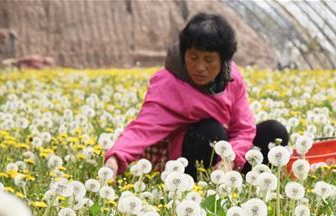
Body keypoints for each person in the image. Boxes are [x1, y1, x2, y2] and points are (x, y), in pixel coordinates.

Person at [104, 13, 289, 179]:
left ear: (224, 59)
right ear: (184, 53)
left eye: (209, 60)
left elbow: (243, 129)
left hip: (228, 156)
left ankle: (247, 181)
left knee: (274, 132)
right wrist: (115, 159)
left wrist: (230, 159)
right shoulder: (168, 82)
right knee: (211, 132)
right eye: (193, 58)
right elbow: (144, 127)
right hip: (185, 158)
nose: (200, 67)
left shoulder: (232, 78)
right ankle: (203, 183)